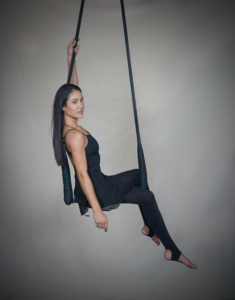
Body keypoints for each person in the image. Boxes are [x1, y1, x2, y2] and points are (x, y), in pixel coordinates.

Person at [51, 38, 197, 269]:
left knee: (140, 176)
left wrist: (70, 58)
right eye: (75, 102)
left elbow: (70, 87)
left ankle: (150, 229)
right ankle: (173, 250)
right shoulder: (74, 136)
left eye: (82, 100)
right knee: (147, 197)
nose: (81, 105)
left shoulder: (68, 124)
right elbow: (81, 174)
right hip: (97, 190)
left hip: (101, 181)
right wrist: (98, 211)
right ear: (63, 106)